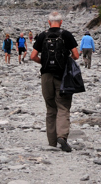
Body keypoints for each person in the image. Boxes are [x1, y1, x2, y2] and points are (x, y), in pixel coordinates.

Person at [30, 10, 79, 152]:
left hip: (46, 76)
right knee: (63, 106)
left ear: (49, 22)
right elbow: (76, 54)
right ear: (61, 22)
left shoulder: (42, 36)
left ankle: (52, 142)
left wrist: (43, 63)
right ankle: (62, 137)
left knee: (51, 108)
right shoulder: (66, 35)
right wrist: (66, 61)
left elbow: (33, 56)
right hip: (62, 75)